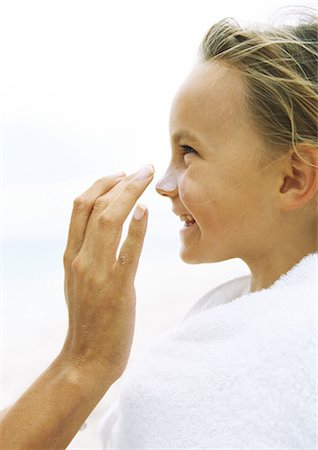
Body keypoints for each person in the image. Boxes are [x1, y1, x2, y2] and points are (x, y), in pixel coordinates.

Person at [1, 8, 317, 450]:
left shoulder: (283, 352)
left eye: (188, 151)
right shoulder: (231, 320)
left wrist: (85, 358)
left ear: (293, 178)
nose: (164, 186)